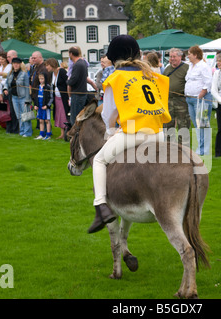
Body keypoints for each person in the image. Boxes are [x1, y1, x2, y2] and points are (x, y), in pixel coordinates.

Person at [88, 34, 171, 233]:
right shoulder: (153, 76)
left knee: (99, 160)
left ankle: (101, 207)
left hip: (134, 133)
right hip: (159, 133)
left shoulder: (115, 78)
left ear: (115, 57)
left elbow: (108, 114)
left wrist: (109, 132)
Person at [184, 45, 213, 156]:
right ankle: (199, 149)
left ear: (195, 55)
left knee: (203, 125)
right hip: (190, 98)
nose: (188, 56)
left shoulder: (203, 66)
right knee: (196, 125)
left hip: (201, 99)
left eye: (189, 54)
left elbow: (208, 81)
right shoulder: (191, 66)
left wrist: (202, 93)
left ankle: (204, 151)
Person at [162, 48, 190, 145]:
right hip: (168, 100)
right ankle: (169, 146)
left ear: (180, 57)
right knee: (168, 124)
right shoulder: (167, 68)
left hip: (181, 100)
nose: (172, 59)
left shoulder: (187, 68)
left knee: (183, 124)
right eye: (170, 56)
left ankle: (183, 147)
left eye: (174, 56)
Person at [3, 57, 32, 137]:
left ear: (20, 64)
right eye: (14, 63)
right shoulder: (10, 73)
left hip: (23, 97)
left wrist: (27, 99)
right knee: (18, 116)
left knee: (25, 115)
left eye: (17, 63)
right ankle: (22, 131)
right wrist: (5, 88)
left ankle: (27, 132)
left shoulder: (24, 74)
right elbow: (6, 83)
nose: (15, 65)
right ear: (12, 64)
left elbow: (27, 87)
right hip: (14, 97)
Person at [45, 58, 69, 139]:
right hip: (56, 98)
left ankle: (67, 133)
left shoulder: (61, 71)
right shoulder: (52, 74)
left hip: (64, 98)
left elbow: (68, 83)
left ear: (52, 65)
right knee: (58, 115)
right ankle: (62, 133)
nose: (46, 67)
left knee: (64, 115)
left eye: (47, 65)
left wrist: (69, 96)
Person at [67, 46, 88, 126]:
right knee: (79, 116)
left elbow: (73, 80)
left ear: (71, 54)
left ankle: (76, 136)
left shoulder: (77, 64)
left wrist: (68, 81)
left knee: (75, 118)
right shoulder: (83, 62)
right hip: (82, 93)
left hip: (77, 94)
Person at [33, 73, 53, 140]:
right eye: (39, 79)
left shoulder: (48, 87)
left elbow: (51, 98)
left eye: (42, 79)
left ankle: (48, 135)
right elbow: (36, 97)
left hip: (45, 107)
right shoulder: (38, 87)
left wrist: (47, 105)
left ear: (45, 79)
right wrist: (35, 105)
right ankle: (41, 134)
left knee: (47, 120)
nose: (41, 80)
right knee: (41, 120)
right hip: (39, 106)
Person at [4, 50, 20, 134]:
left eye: (9, 57)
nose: (7, 59)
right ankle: (8, 127)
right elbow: (7, 80)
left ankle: (15, 128)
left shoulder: (18, 67)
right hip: (7, 92)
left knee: (15, 111)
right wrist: (5, 88)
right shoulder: (8, 66)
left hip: (16, 93)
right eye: (7, 57)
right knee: (7, 111)